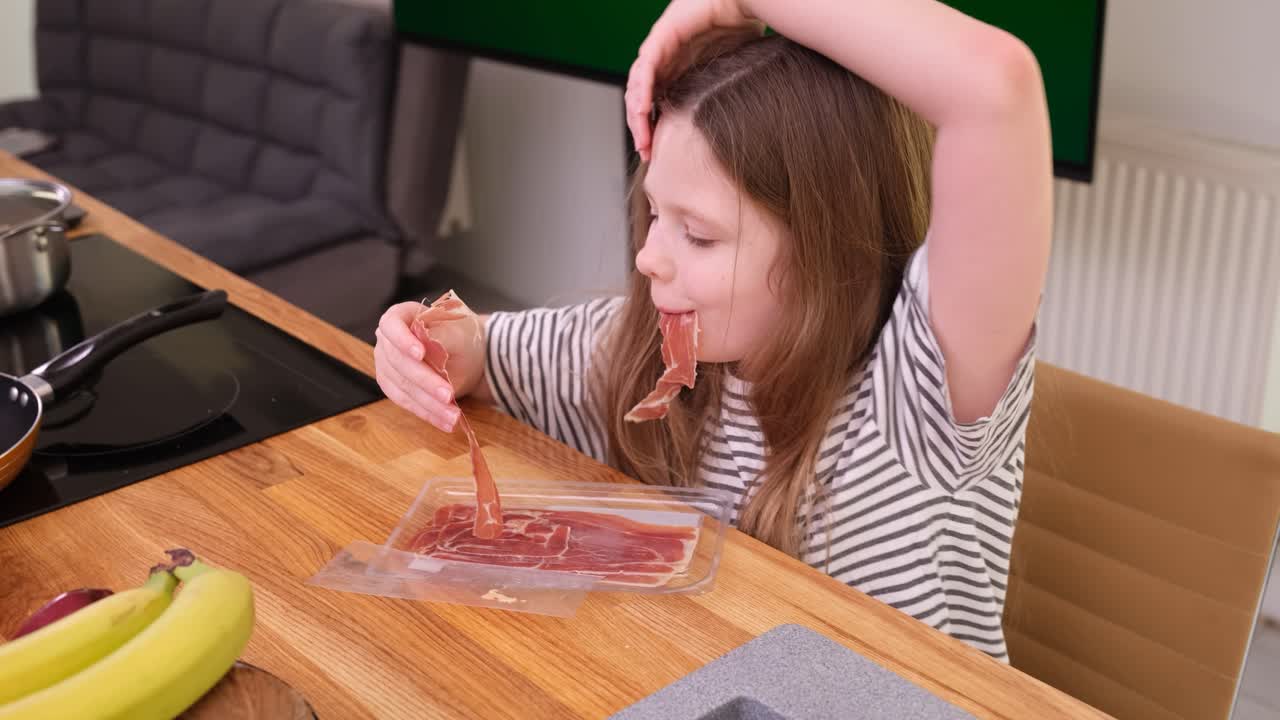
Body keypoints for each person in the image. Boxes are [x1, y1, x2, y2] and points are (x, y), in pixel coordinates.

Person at [374, 0, 1051, 661]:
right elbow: (476, 351)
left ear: (827, 251)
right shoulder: (648, 349)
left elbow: (997, 87)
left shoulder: (920, 396)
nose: (648, 257)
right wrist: (429, 347)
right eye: (653, 215)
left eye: (697, 235)